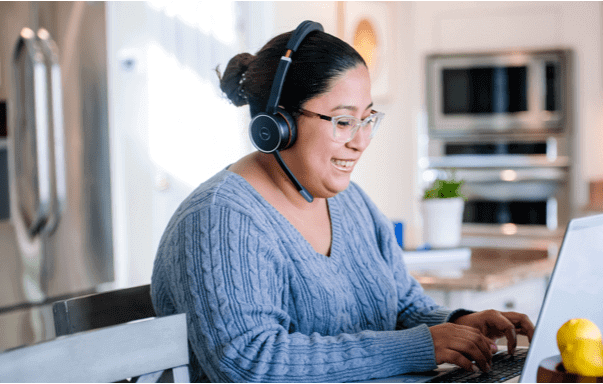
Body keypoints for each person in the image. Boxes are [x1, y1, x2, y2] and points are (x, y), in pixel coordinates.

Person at [150, 21, 535, 383]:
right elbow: (250, 362)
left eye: (367, 119)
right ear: (277, 125)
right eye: (342, 121)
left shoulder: (350, 202)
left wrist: (460, 323)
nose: (361, 141)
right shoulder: (220, 219)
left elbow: (400, 305)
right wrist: (418, 347)